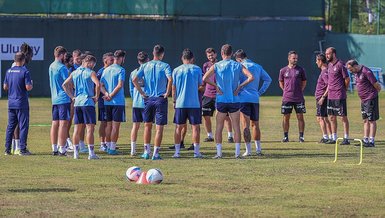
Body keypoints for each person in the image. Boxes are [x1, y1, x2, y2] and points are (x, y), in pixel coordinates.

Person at [203, 44, 254, 159]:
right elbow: (251, 77)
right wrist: (240, 86)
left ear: (221, 53)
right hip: (234, 100)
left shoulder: (217, 65)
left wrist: (215, 85)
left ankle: (219, 153)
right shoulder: (237, 65)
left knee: (219, 127)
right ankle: (236, 153)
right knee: (236, 126)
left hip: (221, 100)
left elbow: (204, 78)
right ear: (231, 54)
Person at [132, 44, 172, 160]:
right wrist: (167, 92)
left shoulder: (145, 66)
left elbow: (134, 79)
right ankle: (155, 153)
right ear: (162, 54)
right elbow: (170, 79)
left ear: (153, 53)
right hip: (160, 98)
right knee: (159, 128)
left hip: (148, 99)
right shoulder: (165, 65)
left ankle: (146, 152)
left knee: (147, 126)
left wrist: (142, 93)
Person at [234, 49, 271, 156]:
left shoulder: (239, 67)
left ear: (239, 59)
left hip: (243, 99)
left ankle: (248, 151)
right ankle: (258, 149)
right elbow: (268, 79)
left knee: (245, 125)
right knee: (255, 124)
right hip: (255, 99)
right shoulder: (257, 66)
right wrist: (259, 92)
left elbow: (235, 82)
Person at [62, 55, 100, 159]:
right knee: (89, 128)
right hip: (88, 102)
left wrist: (72, 97)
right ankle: (91, 154)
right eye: (93, 64)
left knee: (77, 129)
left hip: (77, 103)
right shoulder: (91, 72)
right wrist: (96, 96)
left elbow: (64, 84)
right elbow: (98, 84)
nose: (93, 66)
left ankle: (76, 153)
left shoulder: (74, 72)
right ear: (89, 62)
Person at [171, 48, 204, 158]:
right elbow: (201, 86)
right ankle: (196, 152)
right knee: (195, 127)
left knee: (178, 127)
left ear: (182, 58)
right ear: (192, 58)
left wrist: (174, 100)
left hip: (180, 103)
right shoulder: (197, 69)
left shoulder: (176, 70)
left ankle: (177, 152)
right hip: (194, 103)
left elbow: (173, 88)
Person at [201, 48, 234, 143]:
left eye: (212, 55)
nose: (210, 57)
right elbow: (204, 78)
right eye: (208, 56)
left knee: (226, 117)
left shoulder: (221, 64)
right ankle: (210, 135)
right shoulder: (205, 65)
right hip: (208, 94)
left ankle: (230, 136)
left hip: (220, 94)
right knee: (206, 115)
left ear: (216, 54)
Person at [3, 52, 33, 155]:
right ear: (23, 60)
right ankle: (22, 149)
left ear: (15, 59)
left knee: (10, 126)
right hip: (21, 103)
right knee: (23, 126)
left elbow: (5, 87)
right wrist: (31, 84)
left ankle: (7, 149)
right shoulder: (25, 71)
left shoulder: (9, 71)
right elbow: (28, 87)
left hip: (11, 102)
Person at [346, 60, 381, 147]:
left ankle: (371, 141)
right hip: (363, 100)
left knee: (371, 120)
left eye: (350, 69)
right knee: (365, 120)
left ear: (355, 66)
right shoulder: (356, 73)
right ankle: (365, 140)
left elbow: (377, 85)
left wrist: (373, 94)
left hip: (370, 99)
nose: (350, 71)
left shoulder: (366, 71)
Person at [100, 50, 126, 155]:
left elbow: (100, 85)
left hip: (107, 102)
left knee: (108, 125)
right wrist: (110, 95)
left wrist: (106, 94)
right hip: (117, 101)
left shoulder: (106, 70)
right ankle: (112, 148)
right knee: (115, 126)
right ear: (121, 58)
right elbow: (120, 85)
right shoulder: (121, 70)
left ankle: (108, 145)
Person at [279, 51, 307, 143]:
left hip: (299, 98)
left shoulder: (301, 70)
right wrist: (286, 90)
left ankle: (301, 137)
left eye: (296, 58)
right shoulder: (283, 70)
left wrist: (300, 90)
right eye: (293, 58)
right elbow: (281, 82)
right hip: (287, 98)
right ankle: (285, 136)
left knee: (300, 117)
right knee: (286, 117)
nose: (295, 60)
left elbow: (304, 82)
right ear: (289, 58)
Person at [49, 46, 71, 156]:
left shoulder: (51, 66)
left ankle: (54, 148)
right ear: (62, 55)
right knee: (63, 124)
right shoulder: (62, 68)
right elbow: (67, 83)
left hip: (55, 99)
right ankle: (62, 149)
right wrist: (72, 96)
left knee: (55, 123)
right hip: (63, 98)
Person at [325, 47, 350, 144]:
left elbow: (347, 79)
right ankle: (334, 138)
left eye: (328, 54)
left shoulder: (340, 65)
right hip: (331, 95)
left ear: (334, 54)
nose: (326, 55)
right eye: (326, 54)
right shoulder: (329, 65)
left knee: (342, 117)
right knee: (331, 117)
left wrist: (344, 89)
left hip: (339, 95)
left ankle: (346, 138)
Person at [129, 51, 150, 156]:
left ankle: (133, 149)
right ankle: (147, 150)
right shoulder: (149, 72)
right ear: (148, 60)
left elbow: (131, 89)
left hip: (136, 103)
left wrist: (135, 99)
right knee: (147, 126)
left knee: (135, 126)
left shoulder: (133, 72)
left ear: (138, 61)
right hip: (147, 102)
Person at [96, 52, 114, 152]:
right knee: (104, 122)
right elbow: (97, 86)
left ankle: (109, 143)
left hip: (112, 100)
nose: (113, 61)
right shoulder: (101, 71)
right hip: (103, 101)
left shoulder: (113, 70)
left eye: (113, 59)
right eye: (111, 60)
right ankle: (102, 144)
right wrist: (103, 95)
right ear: (105, 61)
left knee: (110, 123)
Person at [315, 53, 332, 143]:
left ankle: (326, 137)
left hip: (322, 98)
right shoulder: (324, 71)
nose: (316, 62)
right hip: (320, 97)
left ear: (321, 61)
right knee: (324, 118)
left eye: (317, 60)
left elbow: (329, 85)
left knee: (321, 118)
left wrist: (323, 97)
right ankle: (330, 136)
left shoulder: (324, 71)